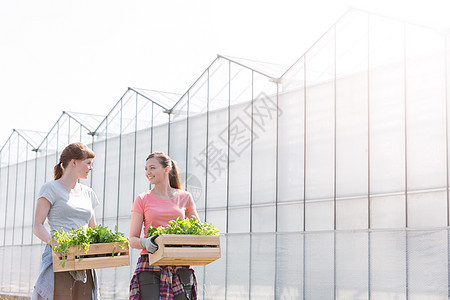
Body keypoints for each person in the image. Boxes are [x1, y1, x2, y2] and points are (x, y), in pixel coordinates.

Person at [31, 142, 100, 300]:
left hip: (83, 259)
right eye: (88, 163)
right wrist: (55, 243)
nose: (91, 168)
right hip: (59, 258)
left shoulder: (88, 193)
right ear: (74, 162)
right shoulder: (50, 188)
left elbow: (92, 230)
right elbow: (37, 226)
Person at [129, 152, 200, 300]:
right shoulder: (142, 199)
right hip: (150, 264)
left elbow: (198, 231)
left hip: (180, 264)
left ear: (167, 169)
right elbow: (132, 239)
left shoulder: (185, 197)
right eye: (146, 169)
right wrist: (145, 242)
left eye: (152, 168)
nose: (148, 173)